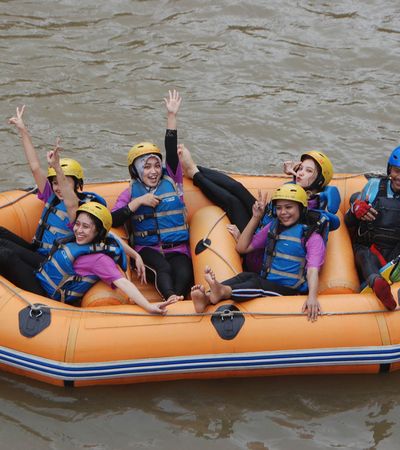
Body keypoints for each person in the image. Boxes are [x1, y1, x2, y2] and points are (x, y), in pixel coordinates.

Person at [179, 145, 339, 272]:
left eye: (308, 171)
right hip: (264, 218)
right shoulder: (303, 190)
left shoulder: (310, 211)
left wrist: (243, 236)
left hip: (259, 249)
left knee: (231, 202)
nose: (301, 173)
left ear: (318, 181)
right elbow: (298, 193)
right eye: (301, 168)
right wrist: (293, 175)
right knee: (237, 187)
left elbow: (278, 230)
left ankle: (194, 173)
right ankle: (193, 169)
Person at [191, 184, 326, 321]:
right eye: (279, 208)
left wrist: (312, 297)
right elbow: (242, 248)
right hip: (269, 283)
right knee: (245, 276)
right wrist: (256, 217)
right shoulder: (273, 227)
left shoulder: (312, 237)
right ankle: (207, 297)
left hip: (289, 292)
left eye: (288, 207)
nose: (283, 212)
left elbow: (312, 270)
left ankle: (224, 291)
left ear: (301, 208)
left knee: (257, 284)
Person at [111, 90, 193, 302]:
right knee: (163, 268)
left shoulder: (172, 179)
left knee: (183, 271)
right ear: (137, 171)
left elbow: (170, 149)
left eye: (157, 165)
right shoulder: (130, 192)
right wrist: (137, 202)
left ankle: (179, 298)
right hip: (148, 250)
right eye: (146, 167)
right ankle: (171, 297)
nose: (154, 171)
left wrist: (171, 116)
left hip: (178, 248)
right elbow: (112, 219)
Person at [4, 105, 104, 255]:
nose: (58, 187)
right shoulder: (51, 197)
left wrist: (57, 168)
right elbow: (35, 167)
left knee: (4, 254)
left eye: (64, 182)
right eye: (55, 183)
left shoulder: (79, 211)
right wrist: (22, 130)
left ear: (77, 184)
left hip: (49, 260)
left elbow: (70, 203)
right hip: (36, 250)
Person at [344, 146, 400, 311]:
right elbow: (348, 222)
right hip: (369, 248)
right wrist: (356, 210)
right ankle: (376, 283)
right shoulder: (374, 186)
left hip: (395, 254)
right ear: (390, 170)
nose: (399, 177)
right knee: (365, 255)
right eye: (397, 171)